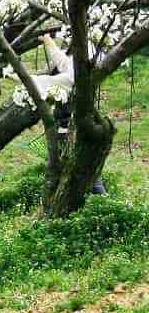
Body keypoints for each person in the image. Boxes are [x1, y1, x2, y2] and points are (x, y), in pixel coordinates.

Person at [35, 33, 107, 195]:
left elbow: (47, 81)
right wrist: (48, 40)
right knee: (85, 171)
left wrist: (16, 76)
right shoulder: (84, 73)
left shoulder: (74, 78)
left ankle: (100, 201)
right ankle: (99, 201)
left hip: (70, 130)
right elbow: (62, 62)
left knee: (81, 171)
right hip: (76, 126)